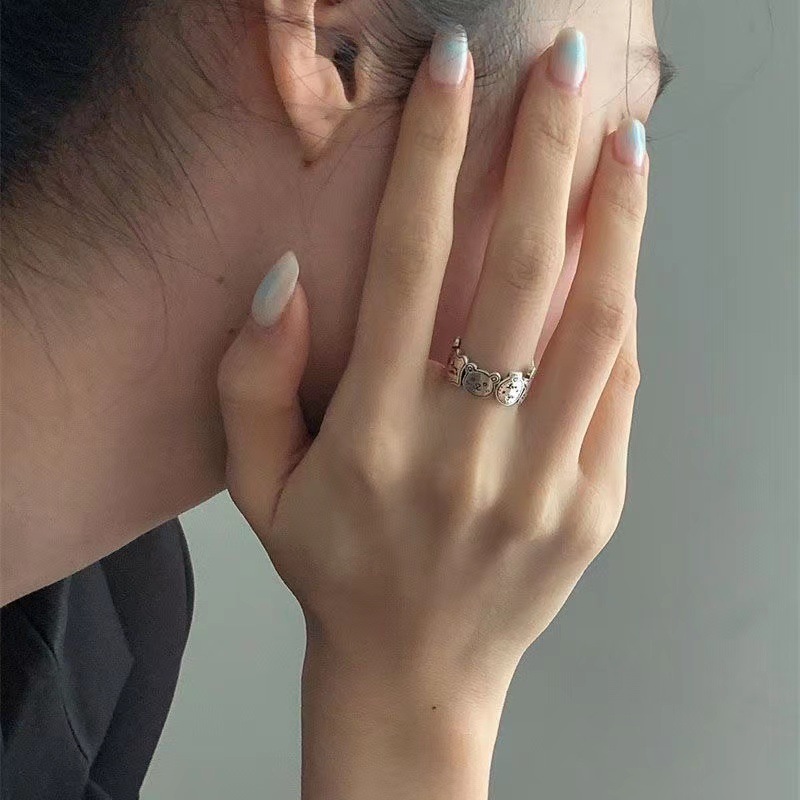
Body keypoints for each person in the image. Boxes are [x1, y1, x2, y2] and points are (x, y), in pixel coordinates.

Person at [1, 0, 674, 793]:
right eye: (619, 140)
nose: (611, 266)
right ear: (328, 49)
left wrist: (406, 683)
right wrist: (418, 706)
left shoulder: (115, 623)